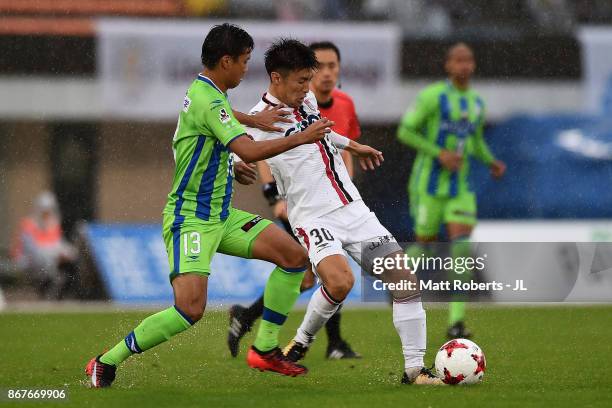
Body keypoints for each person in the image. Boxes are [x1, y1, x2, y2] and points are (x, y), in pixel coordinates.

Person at [85, 23, 334, 387]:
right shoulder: (208, 98)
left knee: (295, 258)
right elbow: (246, 148)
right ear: (226, 60)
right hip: (191, 220)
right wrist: (301, 137)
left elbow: (222, 118)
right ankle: (106, 360)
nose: (247, 69)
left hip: (222, 215)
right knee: (190, 309)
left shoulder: (209, 92)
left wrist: (249, 128)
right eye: (245, 61)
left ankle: (264, 348)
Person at [245, 38, 443, 385]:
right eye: (301, 81)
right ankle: (303, 340)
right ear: (276, 78)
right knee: (340, 282)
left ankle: (415, 369)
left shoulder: (305, 100)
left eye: (310, 79)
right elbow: (239, 157)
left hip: (354, 210)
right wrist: (239, 170)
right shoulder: (257, 121)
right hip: (312, 217)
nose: (308, 88)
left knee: (405, 280)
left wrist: (353, 144)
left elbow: (322, 134)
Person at [227, 41, 361, 360]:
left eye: (332, 66)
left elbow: (337, 148)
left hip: (335, 198)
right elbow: (260, 152)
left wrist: (346, 188)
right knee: (315, 271)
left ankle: (247, 317)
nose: (326, 74)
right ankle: (329, 342)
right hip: (301, 204)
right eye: (320, 68)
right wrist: (272, 195)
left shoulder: (342, 104)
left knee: (313, 273)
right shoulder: (278, 110)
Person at [397, 42, 506, 339]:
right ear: (448, 65)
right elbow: (405, 131)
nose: (464, 65)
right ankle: (398, 289)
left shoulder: (476, 104)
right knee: (425, 245)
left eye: (468, 60)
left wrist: (490, 161)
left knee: (460, 249)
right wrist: (438, 153)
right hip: (428, 186)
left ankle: (456, 321)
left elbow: (475, 142)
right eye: (458, 60)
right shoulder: (432, 96)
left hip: (460, 188)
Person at [11, 191, 77, 300]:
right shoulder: (28, 225)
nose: (46, 214)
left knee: (70, 258)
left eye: (49, 211)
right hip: (28, 262)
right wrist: (54, 254)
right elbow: (32, 251)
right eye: (44, 211)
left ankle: (60, 290)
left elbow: (58, 243)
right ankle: (49, 289)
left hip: (48, 260)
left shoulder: (53, 224)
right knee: (47, 261)